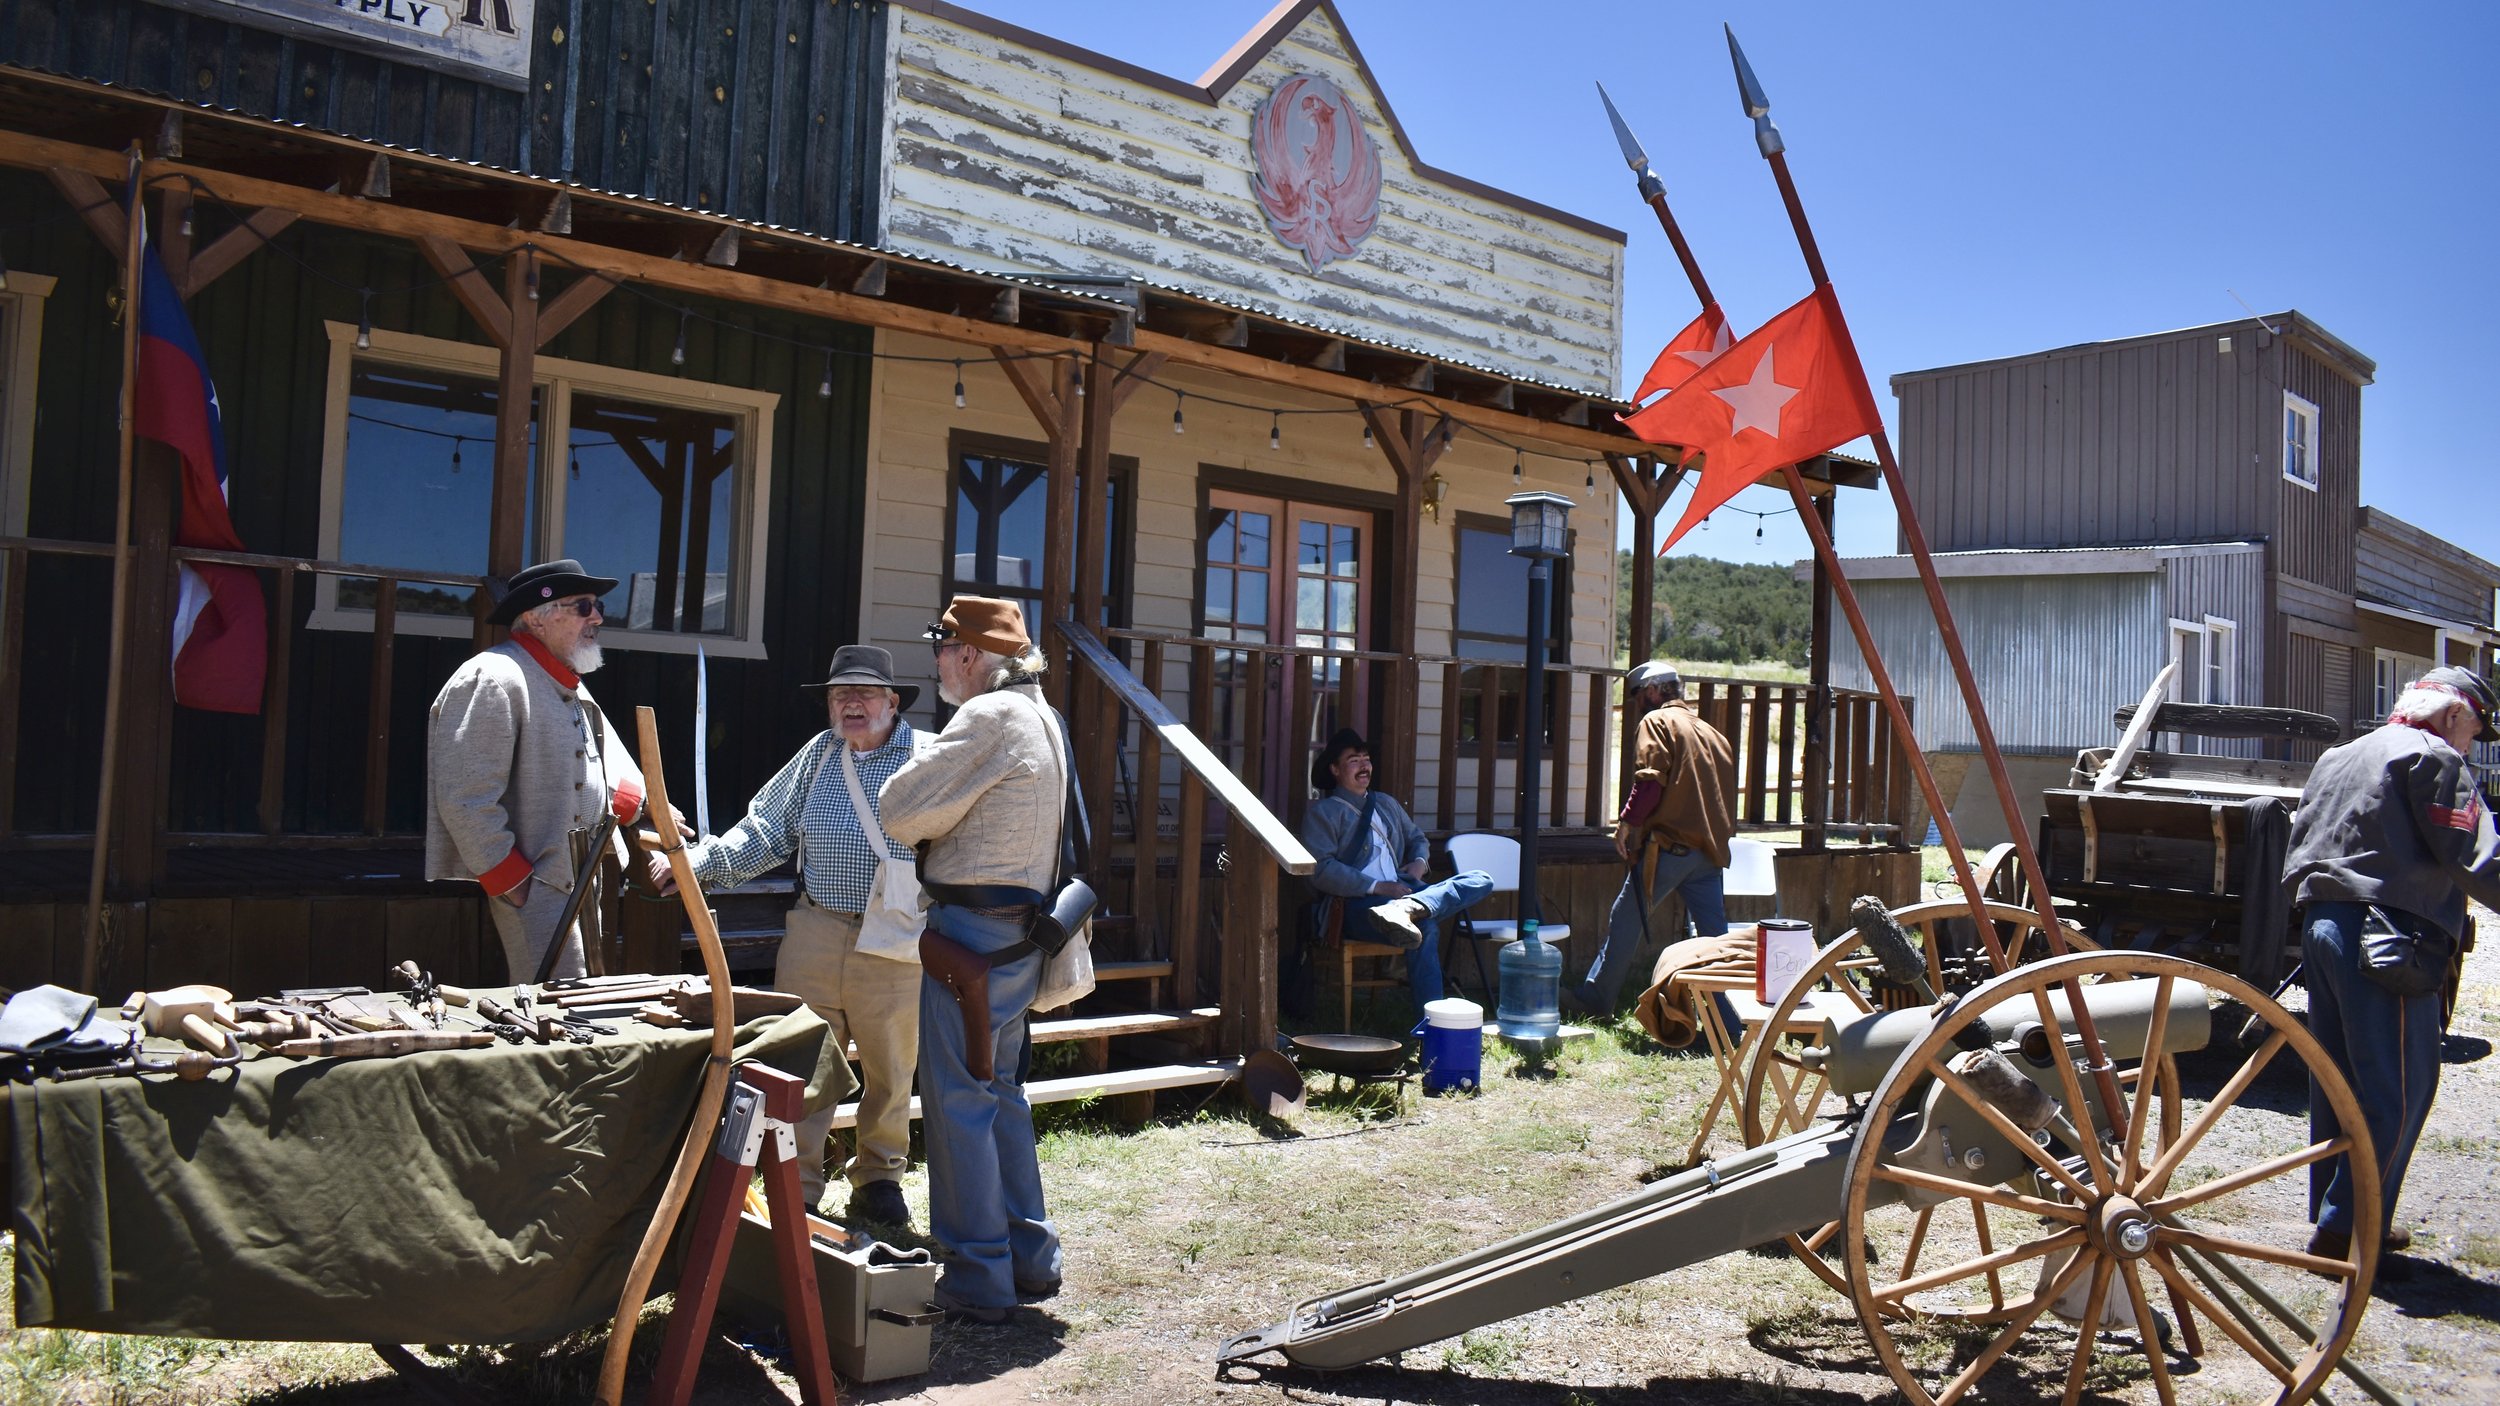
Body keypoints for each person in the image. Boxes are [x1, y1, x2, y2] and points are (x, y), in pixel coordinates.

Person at [683, 646, 926, 1225]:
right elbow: (767, 828)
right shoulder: (819, 755)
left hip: (895, 935)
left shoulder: (928, 758)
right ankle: (798, 1182)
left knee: (891, 1066)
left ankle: (880, 1177)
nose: (852, 704)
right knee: (803, 1062)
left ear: (893, 702)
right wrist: (699, 864)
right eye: (841, 694)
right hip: (816, 928)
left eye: (866, 693)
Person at [877, 596, 1068, 1324]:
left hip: (972, 939)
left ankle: (978, 1274)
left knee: (959, 1102)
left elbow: (900, 809)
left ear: (968, 653)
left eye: (942, 646)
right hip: (1014, 938)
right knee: (1001, 1096)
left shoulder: (989, 716)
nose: (937, 662)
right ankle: (1028, 1258)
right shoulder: (1041, 714)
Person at [2283, 665, 2500, 1263]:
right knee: (2399, 1091)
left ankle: (2336, 1214)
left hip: (2323, 924)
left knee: (2338, 1085)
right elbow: (2476, 856)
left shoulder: (2340, 755)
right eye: (2473, 731)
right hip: (2390, 937)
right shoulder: (2434, 756)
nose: (2470, 746)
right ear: (2453, 714)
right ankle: (2349, 1229)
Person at [425, 559, 680, 982]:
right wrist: (515, 885)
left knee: (578, 999)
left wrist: (647, 805)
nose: (597, 618)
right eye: (583, 606)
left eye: (597, 606)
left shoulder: (565, 680)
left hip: (580, 881)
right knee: (552, 1006)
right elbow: (465, 798)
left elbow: (592, 764)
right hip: (537, 887)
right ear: (536, 617)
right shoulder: (492, 678)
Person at [1568, 661, 1736, 1017]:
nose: (1636, 703)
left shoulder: (1656, 721)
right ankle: (1728, 1022)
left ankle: (1596, 1000)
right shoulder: (1712, 734)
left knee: (1625, 919)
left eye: (1637, 695)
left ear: (1653, 690)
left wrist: (1627, 824)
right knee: (1715, 942)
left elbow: (1649, 782)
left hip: (1671, 850)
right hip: (1709, 854)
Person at [1299, 729, 1493, 1016]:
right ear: (1335, 769)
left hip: (1402, 891)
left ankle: (1410, 907)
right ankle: (1433, 1022)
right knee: (1426, 928)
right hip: (1355, 905)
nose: (1364, 766)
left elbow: (1417, 838)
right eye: (1354, 760)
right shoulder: (1323, 813)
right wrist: (1377, 887)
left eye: (1366, 759)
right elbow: (1321, 869)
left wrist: (1419, 862)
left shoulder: (1386, 803)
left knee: (1480, 879)